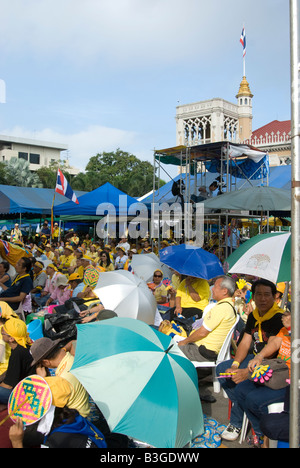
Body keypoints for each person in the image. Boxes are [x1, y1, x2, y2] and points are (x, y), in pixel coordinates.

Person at [216, 278, 285, 442]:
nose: (262, 299)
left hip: (272, 365)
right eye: (258, 294)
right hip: (254, 359)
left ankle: (237, 422)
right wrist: (235, 364)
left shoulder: (279, 318)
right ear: (252, 297)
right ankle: (242, 410)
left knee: (243, 385)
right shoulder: (254, 315)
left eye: (267, 295)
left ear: (275, 297)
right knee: (222, 369)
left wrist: (246, 372)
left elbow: (272, 350)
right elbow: (246, 342)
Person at [178, 276, 237, 364]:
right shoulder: (229, 306)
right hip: (204, 349)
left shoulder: (222, 308)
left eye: (215, 286)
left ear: (224, 291)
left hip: (202, 351)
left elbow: (202, 332)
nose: (212, 289)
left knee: (170, 350)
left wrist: (184, 341)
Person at [30, 337, 91, 418]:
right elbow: (73, 342)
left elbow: (43, 403)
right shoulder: (72, 357)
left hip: (78, 418)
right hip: (87, 407)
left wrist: (42, 379)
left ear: (46, 362)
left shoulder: (60, 380)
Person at [0, 317, 34, 406]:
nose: (1, 333)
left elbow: (9, 385)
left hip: (26, 393)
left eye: (2, 333)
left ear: (11, 339)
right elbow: (12, 371)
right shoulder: (24, 345)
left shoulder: (18, 353)